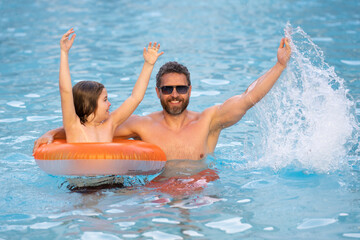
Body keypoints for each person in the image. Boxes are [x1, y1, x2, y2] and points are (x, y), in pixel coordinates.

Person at [34, 38, 291, 160]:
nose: (175, 95)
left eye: (180, 88)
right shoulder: (141, 126)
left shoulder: (210, 119)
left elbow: (248, 98)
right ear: (158, 92)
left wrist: (279, 66)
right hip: (157, 196)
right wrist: (54, 133)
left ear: (190, 90)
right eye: (168, 90)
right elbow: (88, 127)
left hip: (199, 194)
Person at [57, 28, 163, 143]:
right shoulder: (73, 125)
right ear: (88, 104)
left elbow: (135, 98)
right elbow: (65, 91)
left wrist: (148, 65)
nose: (109, 104)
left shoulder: (109, 124)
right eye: (105, 100)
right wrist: (64, 53)